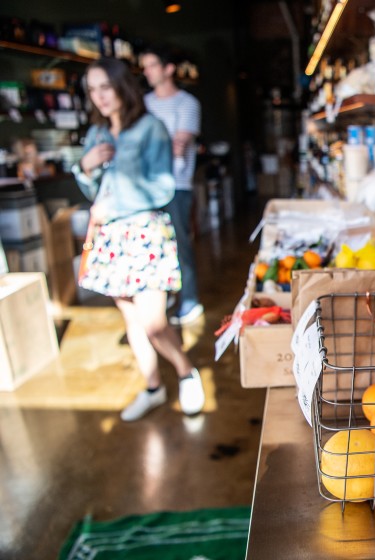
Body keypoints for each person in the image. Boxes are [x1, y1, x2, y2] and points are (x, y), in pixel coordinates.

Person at [72, 57, 205, 421]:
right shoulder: (97, 135)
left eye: (105, 87)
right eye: (92, 89)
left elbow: (163, 187)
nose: (99, 96)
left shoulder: (151, 128)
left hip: (145, 233)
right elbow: (93, 189)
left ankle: (186, 373)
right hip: (112, 237)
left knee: (154, 322)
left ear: (121, 87)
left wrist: (111, 206)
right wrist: (84, 168)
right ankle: (152, 387)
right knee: (131, 320)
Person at [140, 45, 204, 326]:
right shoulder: (144, 103)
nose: (147, 71)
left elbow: (179, 144)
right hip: (146, 187)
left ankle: (189, 299)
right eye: (145, 66)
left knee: (180, 243)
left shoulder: (187, 103)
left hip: (177, 185)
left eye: (152, 65)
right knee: (153, 245)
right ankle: (162, 298)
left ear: (168, 69)